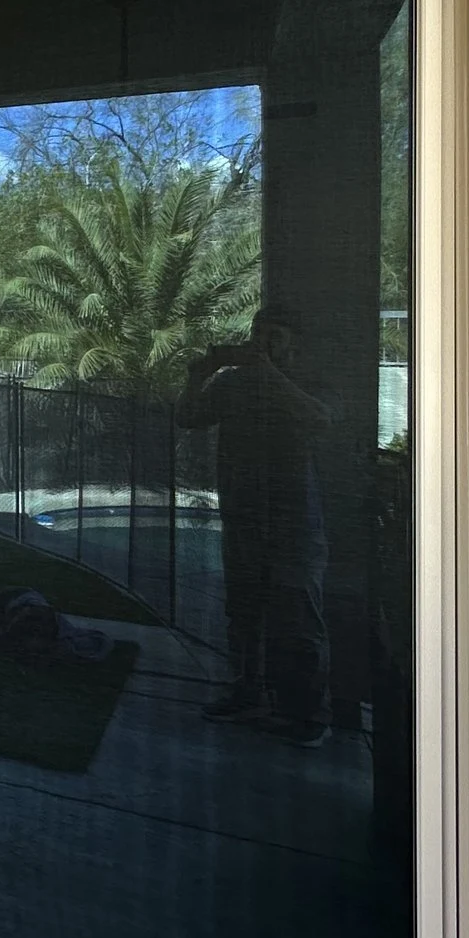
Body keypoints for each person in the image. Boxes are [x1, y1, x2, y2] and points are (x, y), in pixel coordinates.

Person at [175, 311, 332, 745]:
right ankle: (247, 694)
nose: (263, 344)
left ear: (292, 347)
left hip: (295, 518)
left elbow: (322, 419)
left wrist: (270, 377)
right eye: (258, 336)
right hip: (243, 514)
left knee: (298, 614)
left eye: (274, 338)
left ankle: (308, 717)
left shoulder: (303, 382)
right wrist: (199, 374)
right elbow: (187, 418)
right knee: (243, 612)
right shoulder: (232, 384)